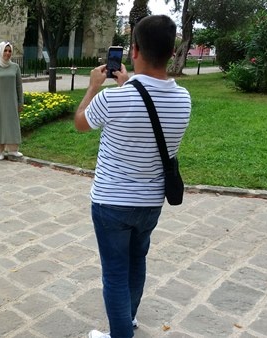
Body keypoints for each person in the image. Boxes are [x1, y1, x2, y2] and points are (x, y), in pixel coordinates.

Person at [74, 15, 191, 338]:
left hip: (111, 202)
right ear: (171, 52)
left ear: (134, 50)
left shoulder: (112, 98)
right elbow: (148, 108)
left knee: (114, 273)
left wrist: (93, 87)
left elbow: (81, 122)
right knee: (137, 262)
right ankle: (129, 319)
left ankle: (119, 334)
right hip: (151, 203)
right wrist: (127, 83)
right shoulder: (184, 100)